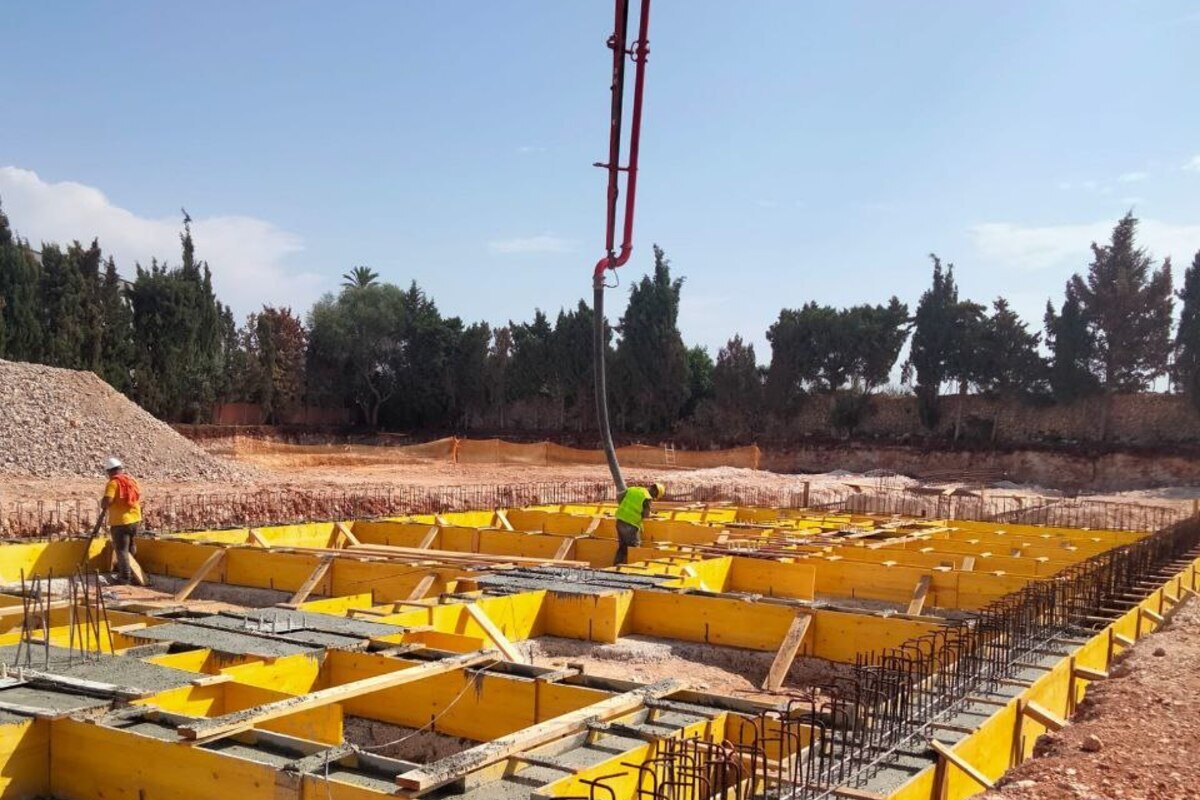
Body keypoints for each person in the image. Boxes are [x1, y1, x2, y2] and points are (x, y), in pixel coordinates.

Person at [100, 457, 142, 584]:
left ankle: (125, 577)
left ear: (109, 471)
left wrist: (103, 504)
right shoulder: (131, 480)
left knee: (121, 549)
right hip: (135, 519)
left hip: (120, 522)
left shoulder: (113, 483)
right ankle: (131, 571)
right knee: (130, 546)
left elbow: (107, 501)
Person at [614, 482, 663, 565]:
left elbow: (619, 497)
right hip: (631, 525)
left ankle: (616, 566)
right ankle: (632, 568)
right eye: (654, 497)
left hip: (620, 521)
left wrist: (625, 506)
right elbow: (646, 515)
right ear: (655, 492)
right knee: (634, 547)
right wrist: (654, 516)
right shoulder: (646, 497)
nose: (653, 498)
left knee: (622, 546)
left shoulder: (633, 489)